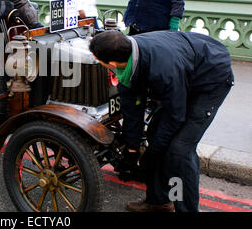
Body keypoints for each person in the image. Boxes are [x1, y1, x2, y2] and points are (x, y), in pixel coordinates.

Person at [89, 30, 234, 212]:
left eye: (97, 59)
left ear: (109, 62)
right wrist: (132, 150)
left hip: (211, 78)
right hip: (182, 75)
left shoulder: (163, 69)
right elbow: (132, 110)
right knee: (155, 133)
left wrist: (153, 152)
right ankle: (158, 202)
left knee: (179, 151)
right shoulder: (126, 61)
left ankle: (186, 209)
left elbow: (175, 115)